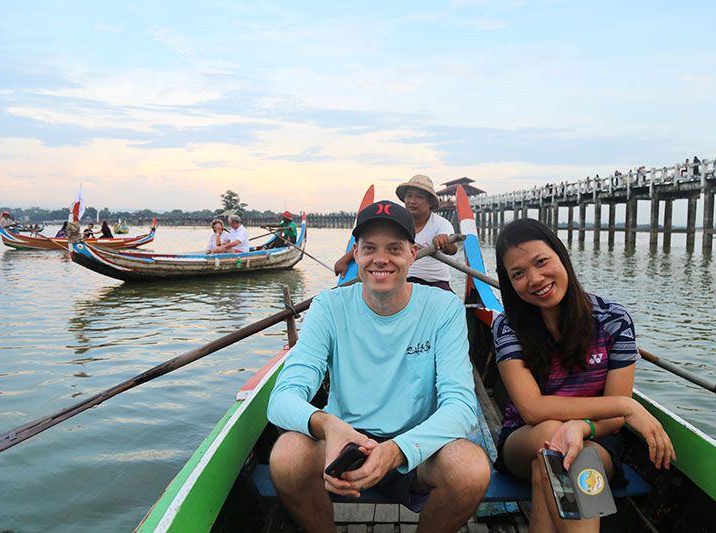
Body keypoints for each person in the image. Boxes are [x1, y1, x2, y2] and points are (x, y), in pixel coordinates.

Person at [267, 200, 491, 533]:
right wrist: (327, 425)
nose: (380, 259)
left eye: (394, 248)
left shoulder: (442, 308)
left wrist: (398, 451)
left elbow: (460, 406)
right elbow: (282, 398)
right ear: (356, 253)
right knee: (286, 456)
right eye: (369, 248)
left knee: (471, 469)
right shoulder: (329, 306)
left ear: (413, 254)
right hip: (344, 444)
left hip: (419, 446)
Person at [491, 218, 676, 532]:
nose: (535, 279)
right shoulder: (508, 326)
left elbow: (613, 421)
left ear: (561, 256)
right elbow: (532, 409)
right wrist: (627, 406)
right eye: (518, 274)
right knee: (552, 435)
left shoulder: (613, 320)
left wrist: (581, 426)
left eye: (541, 262)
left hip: (597, 438)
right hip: (524, 438)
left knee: (557, 464)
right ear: (509, 283)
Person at [334, 175, 458, 292]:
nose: (412, 201)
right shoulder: (397, 221)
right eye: (409, 196)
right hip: (401, 279)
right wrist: (345, 260)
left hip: (433, 282)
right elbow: (372, 242)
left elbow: (452, 250)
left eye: (419, 197)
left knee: (452, 307)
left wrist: (444, 242)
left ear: (430, 202)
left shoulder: (441, 224)